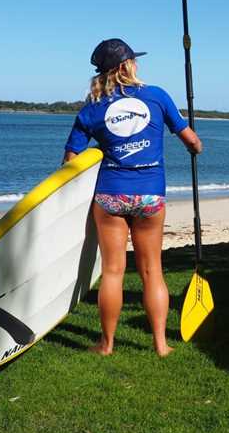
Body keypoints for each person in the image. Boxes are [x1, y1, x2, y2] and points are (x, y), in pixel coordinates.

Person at [63, 38, 202, 357]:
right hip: (150, 195)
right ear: (127, 66)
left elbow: (71, 161)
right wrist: (195, 147)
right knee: (152, 270)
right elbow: (191, 140)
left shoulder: (92, 108)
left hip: (110, 194)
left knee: (113, 270)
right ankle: (161, 345)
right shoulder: (157, 96)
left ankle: (107, 344)